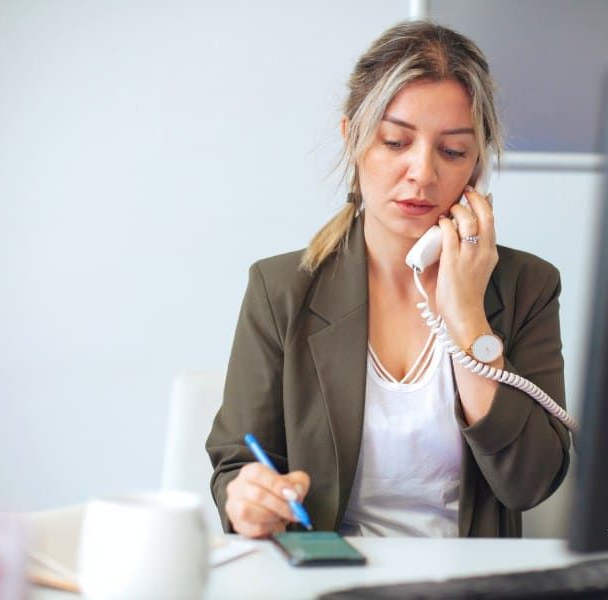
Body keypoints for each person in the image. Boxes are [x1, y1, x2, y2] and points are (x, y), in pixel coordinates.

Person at [206, 20, 571, 539]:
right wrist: (246, 498)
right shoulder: (281, 288)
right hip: (330, 581)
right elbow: (236, 464)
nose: (422, 173)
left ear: (476, 167)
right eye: (396, 141)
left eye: (452, 151)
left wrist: (466, 315)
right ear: (352, 138)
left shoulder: (527, 286)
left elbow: (529, 483)